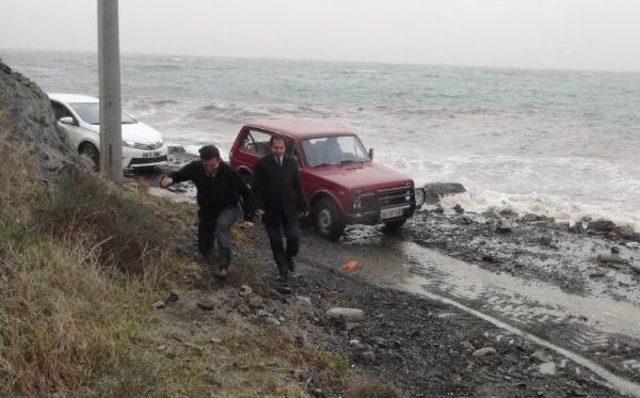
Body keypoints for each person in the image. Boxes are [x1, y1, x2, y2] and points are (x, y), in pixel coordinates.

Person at [159, 145, 253, 278]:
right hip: (207, 209)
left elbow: (246, 193)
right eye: (206, 165)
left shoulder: (230, 173)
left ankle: (224, 266)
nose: (209, 169)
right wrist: (168, 179)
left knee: (222, 227)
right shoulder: (196, 168)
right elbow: (179, 175)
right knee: (204, 246)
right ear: (201, 162)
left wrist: (248, 217)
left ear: (219, 160)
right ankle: (211, 258)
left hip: (229, 207)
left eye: (212, 165)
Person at [252, 135, 309, 282]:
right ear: (270, 147)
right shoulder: (261, 164)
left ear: (285, 148)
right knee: (276, 241)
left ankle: (288, 257)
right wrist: (258, 206)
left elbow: (297, 185)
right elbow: (256, 188)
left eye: (281, 148)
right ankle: (282, 270)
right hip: (270, 210)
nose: (278, 150)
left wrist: (303, 205)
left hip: (289, 209)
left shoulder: (291, 162)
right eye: (275, 148)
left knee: (294, 238)